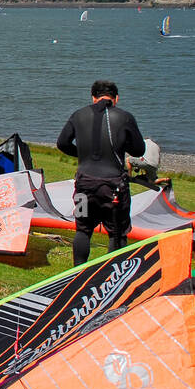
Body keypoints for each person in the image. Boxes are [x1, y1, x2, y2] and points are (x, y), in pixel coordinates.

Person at [57, 80, 145, 266]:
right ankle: (112, 276)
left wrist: (82, 154)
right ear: (116, 99)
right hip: (113, 189)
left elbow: (62, 143)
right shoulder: (125, 117)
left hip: (83, 187)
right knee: (116, 232)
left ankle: (76, 274)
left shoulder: (78, 115)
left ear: (93, 97)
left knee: (83, 229)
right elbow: (139, 150)